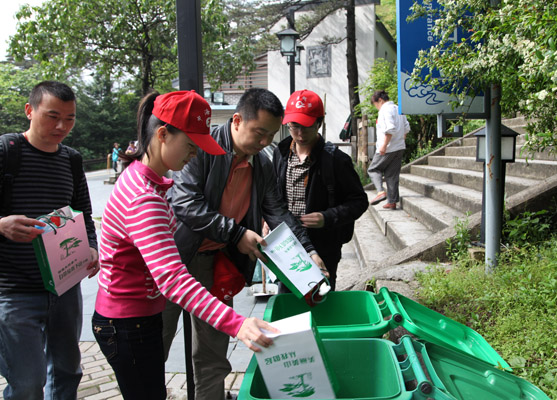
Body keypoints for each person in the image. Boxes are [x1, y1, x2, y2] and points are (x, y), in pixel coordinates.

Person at [92, 90, 276, 400]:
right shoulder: (145, 198)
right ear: (163, 134)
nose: (194, 156)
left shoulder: (150, 182)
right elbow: (172, 278)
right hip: (127, 321)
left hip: (138, 315)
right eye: (191, 146)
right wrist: (237, 324)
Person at [162, 88, 327, 400]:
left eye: (270, 135)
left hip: (216, 263)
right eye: (259, 133)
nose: (265, 143)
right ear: (236, 120)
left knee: (213, 349)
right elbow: (185, 203)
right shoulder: (199, 149)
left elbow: (278, 213)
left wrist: (308, 251)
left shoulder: (261, 164)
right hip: (173, 262)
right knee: (158, 340)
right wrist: (237, 234)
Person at [0, 81, 99, 399]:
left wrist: (92, 249)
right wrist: (1, 224)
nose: (61, 126)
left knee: (67, 372)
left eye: (69, 119)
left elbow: (82, 211)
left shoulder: (71, 160)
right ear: (30, 111)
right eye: (52, 116)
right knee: (28, 382)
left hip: (64, 287)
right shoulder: (6, 152)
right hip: (14, 292)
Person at [272, 90, 368, 290]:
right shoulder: (280, 153)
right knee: (287, 301)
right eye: (294, 126)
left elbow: (359, 201)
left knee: (320, 299)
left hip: (323, 245)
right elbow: (272, 194)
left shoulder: (335, 160)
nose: (299, 134)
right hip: (287, 244)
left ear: (319, 123)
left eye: (306, 127)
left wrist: (328, 217)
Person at [367, 90, 411, 210]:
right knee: (392, 174)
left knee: (373, 169)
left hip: (388, 147)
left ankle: (381, 192)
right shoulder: (398, 108)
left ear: (380, 100)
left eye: (375, 104)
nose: (376, 107)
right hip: (399, 147)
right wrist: (399, 141)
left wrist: (384, 146)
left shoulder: (384, 110)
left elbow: (390, 129)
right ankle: (392, 202)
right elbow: (406, 128)